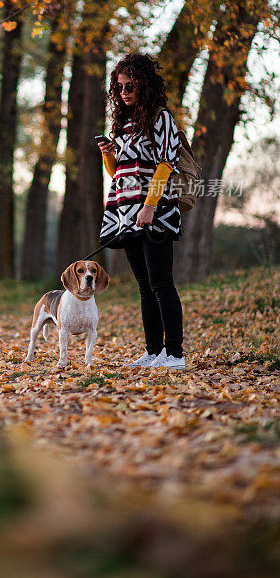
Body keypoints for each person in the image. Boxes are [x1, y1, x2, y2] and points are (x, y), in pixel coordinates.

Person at [97, 53, 185, 370]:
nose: (124, 92)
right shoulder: (122, 123)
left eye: (130, 85)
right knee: (144, 287)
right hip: (125, 209)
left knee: (161, 283)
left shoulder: (161, 118)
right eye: (119, 87)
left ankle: (175, 354)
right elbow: (118, 172)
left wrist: (150, 206)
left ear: (144, 84)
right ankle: (153, 351)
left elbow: (165, 165)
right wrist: (109, 154)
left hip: (155, 209)